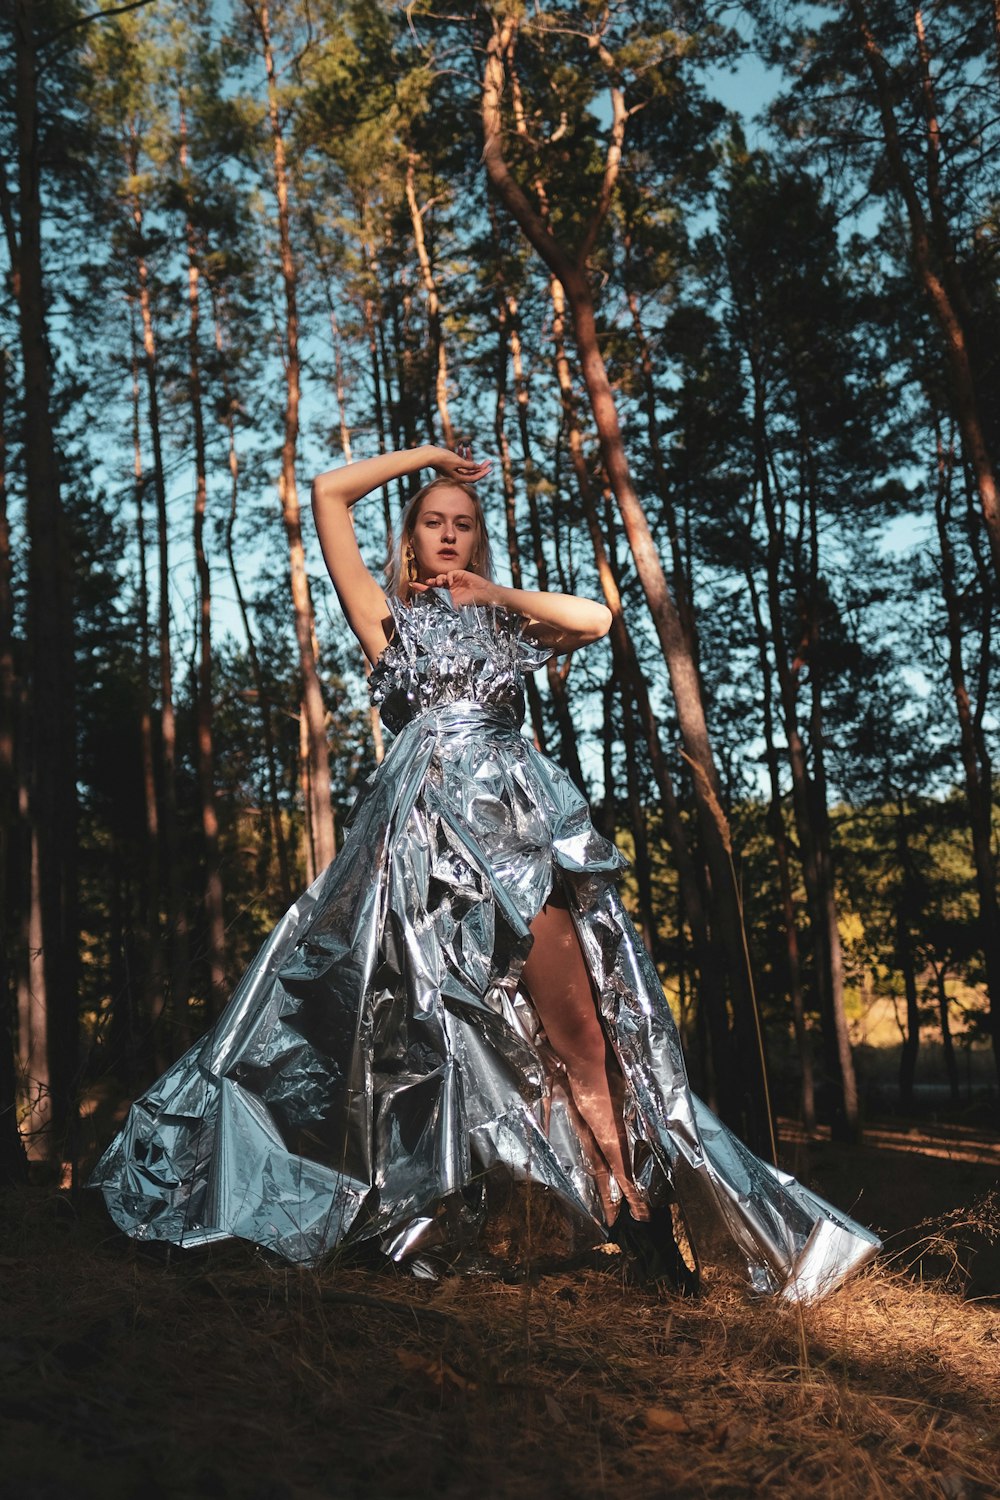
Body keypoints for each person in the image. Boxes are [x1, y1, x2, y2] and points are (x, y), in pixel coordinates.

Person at [91, 443, 879, 1300]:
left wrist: (496, 595)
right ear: (411, 536)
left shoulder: (507, 618)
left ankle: (639, 1221)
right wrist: (430, 457)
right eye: (433, 522)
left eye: (463, 525)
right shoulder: (383, 614)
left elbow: (597, 620)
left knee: (580, 1032)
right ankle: (357, 1208)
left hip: (515, 826)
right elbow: (327, 491)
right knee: (386, 1032)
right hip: (416, 841)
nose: (448, 534)